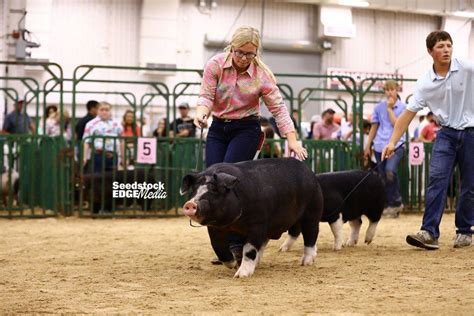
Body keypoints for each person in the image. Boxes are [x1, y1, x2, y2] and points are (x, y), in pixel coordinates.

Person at [193, 26, 307, 264]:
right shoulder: (215, 65)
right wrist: (202, 113)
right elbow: (206, 95)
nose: (244, 58)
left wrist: (293, 140)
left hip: (246, 128)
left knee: (230, 179)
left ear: (256, 53)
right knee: (212, 180)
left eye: (250, 54)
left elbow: (279, 110)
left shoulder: (262, 76)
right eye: (239, 52)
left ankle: (237, 243)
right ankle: (221, 243)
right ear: (231, 47)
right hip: (217, 128)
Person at [382, 30, 473, 249]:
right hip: (446, 133)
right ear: (430, 51)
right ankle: (429, 231)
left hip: (472, 132)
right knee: (437, 179)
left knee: (470, 186)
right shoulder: (424, 82)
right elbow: (407, 115)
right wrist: (393, 141)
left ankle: (464, 231)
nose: (446, 50)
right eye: (441, 46)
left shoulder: (467, 68)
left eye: (449, 45)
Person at [364, 80, 406, 218]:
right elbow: (374, 127)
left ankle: (396, 201)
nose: (389, 92)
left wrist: (389, 109)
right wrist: (368, 145)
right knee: (383, 176)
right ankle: (389, 205)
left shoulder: (403, 107)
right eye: (387, 90)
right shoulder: (378, 107)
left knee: (390, 171)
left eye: (392, 89)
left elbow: (397, 124)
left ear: (397, 90)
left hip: (396, 144)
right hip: (379, 145)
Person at [82, 102, 124, 173]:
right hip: (98, 156)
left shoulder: (117, 124)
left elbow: (122, 141)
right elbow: (86, 141)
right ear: (97, 111)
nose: (104, 112)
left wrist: (123, 157)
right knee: (98, 179)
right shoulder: (90, 124)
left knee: (113, 178)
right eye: (101, 110)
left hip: (113, 156)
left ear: (110, 111)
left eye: (107, 110)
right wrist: (85, 157)